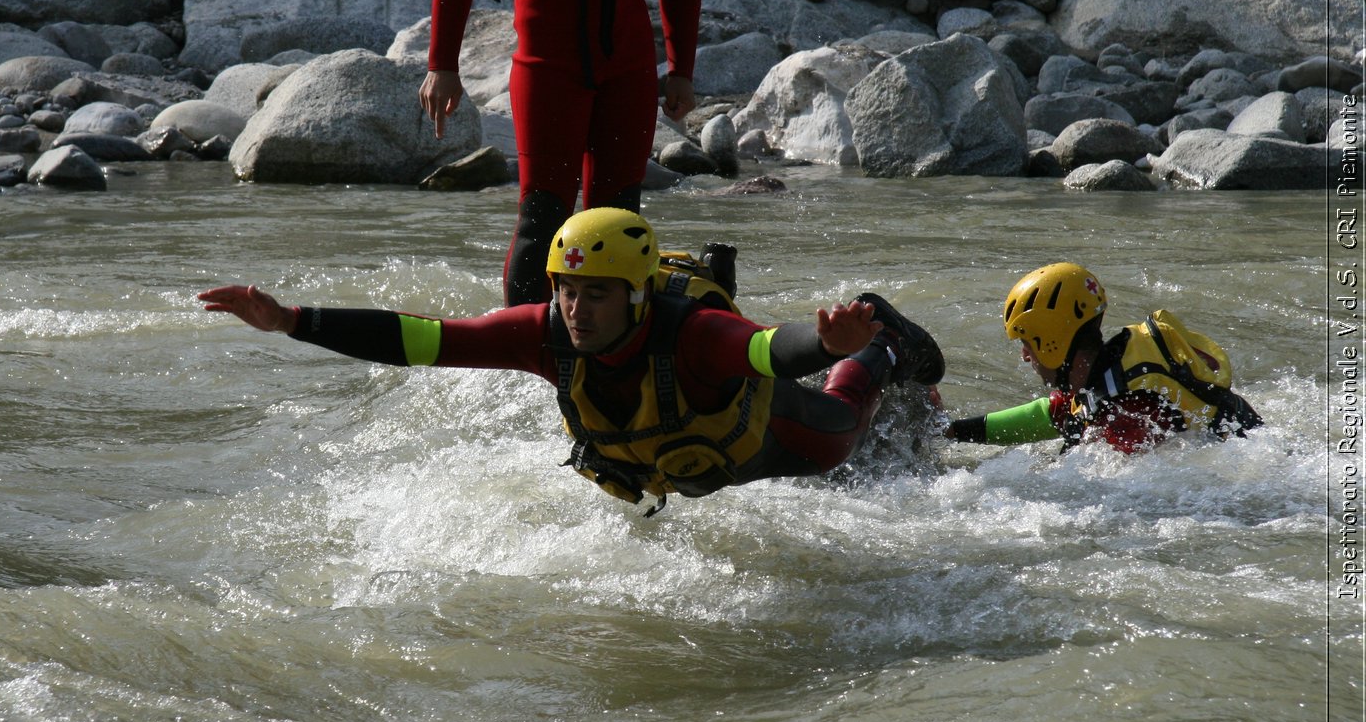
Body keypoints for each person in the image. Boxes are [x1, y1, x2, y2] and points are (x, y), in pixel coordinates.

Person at [199, 209, 944, 512]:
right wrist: (291, 321)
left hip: (764, 433)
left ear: (638, 296)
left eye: (596, 294)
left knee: (843, 436)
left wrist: (829, 344)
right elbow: (424, 339)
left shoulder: (692, 332)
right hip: (672, 461)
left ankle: (881, 344)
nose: (575, 310)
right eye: (564, 291)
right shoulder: (544, 333)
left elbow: (765, 349)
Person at [418, 0, 703, 306]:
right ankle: (523, 352)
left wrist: (680, 68)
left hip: (630, 57)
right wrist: (442, 64)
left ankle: (614, 360)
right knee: (543, 215)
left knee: (619, 220)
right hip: (548, 58)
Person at [945, 262, 1263, 454]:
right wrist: (953, 432)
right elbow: (1053, 415)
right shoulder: (1110, 366)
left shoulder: (1128, 410)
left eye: (1028, 343)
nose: (1025, 356)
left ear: (1052, 341)